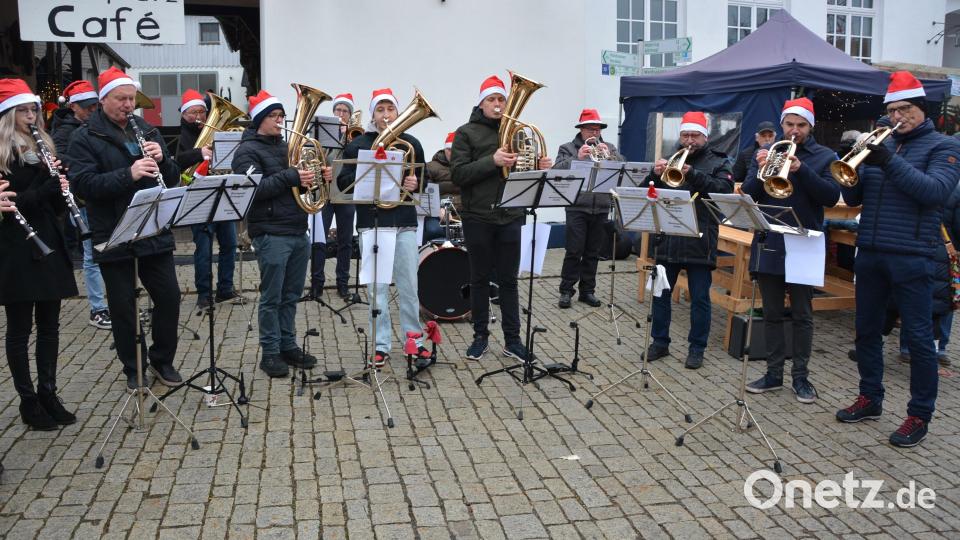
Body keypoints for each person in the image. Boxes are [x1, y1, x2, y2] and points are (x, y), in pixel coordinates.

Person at [836, 71, 960, 448]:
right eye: (892, 110)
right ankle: (870, 398)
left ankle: (919, 415)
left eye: (905, 109)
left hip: (913, 256)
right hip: (871, 252)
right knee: (867, 331)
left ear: (923, 110)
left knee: (920, 341)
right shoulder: (880, 146)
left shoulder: (942, 147)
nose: (897, 117)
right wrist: (852, 175)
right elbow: (856, 201)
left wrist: (886, 159)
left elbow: (933, 192)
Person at [67, 67, 184, 390]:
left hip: (153, 229)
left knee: (169, 297)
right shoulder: (84, 137)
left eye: (132, 99)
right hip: (112, 233)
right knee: (122, 306)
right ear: (103, 99)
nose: (128, 105)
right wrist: (128, 174)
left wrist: (163, 161)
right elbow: (83, 185)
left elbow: (171, 179)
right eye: (121, 99)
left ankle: (163, 360)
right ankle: (133, 367)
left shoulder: (146, 129)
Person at [741, 98, 840, 403]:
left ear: (810, 126)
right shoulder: (773, 151)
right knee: (770, 312)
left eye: (801, 125)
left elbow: (830, 196)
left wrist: (802, 169)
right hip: (771, 238)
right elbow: (749, 193)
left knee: (802, 314)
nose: (794, 130)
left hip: (804, 241)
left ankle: (801, 377)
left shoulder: (824, 156)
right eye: (789, 124)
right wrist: (759, 170)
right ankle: (773, 374)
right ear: (782, 124)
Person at [450, 75, 553, 361]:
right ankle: (480, 337)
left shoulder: (519, 132)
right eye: (491, 100)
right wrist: (491, 161)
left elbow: (524, 173)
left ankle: (513, 340)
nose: (497, 105)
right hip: (477, 215)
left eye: (501, 99)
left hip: (511, 215)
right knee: (480, 278)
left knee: (509, 280)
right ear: (481, 103)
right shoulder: (466, 132)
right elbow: (458, 174)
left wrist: (539, 165)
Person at [231, 89, 331, 377]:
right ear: (260, 119)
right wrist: (292, 176)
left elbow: (299, 188)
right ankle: (270, 352)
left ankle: (288, 345)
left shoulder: (289, 147)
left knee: (291, 295)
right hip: (271, 232)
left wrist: (316, 180)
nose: (280, 121)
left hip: (298, 228)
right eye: (274, 116)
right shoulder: (247, 151)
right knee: (272, 297)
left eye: (281, 116)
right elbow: (252, 191)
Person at [0, 79, 78, 429]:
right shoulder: (4, 153)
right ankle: (28, 399)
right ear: (8, 114)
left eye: (34, 110)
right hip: (16, 244)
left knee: (50, 325)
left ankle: (49, 391)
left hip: (47, 239)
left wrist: (63, 186)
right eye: (24, 111)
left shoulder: (43, 145)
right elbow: (14, 204)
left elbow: (53, 204)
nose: (32, 116)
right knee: (20, 329)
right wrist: (46, 185)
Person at [337, 88, 428, 367]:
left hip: (404, 223)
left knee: (409, 286)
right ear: (373, 114)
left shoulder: (411, 142)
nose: (385, 115)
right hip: (372, 223)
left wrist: (415, 185)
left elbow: (420, 182)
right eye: (380, 110)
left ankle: (415, 339)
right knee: (377, 288)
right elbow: (344, 184)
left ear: (397, 112)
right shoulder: (358, 144)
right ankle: (381, 344)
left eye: (390, 109)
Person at [645, 111, 734, 369]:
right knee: (661, 294)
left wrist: (692, 173)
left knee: (700, 298)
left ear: (705, 137)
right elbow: (646, 193)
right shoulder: (668, 157)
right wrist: (653, 174)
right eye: (685, 135)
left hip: (700, 239)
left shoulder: (719, 161)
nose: (689, 141)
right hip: (668, 237)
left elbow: (724, 191)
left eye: (695, 135)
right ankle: (660, 342)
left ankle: (697, 348)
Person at [51, 80, 111, 330]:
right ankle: (97, 308)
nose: (92, 111)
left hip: (104, 193)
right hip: (84, 197)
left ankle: (115, 302)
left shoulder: (97, 124)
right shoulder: (64, 131)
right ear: (73, 106)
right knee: (92, 255)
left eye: (95, 106)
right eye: (87, 107)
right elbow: (63, 160)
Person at [553, 108, 625, 308]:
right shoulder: (567, 148)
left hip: (600, 207)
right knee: (574, 251)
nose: (594, 133)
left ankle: (587, 291)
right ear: (581, 130)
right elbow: (556, 170)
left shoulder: (608, 146)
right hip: (576, 207)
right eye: (590, 129)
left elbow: (622, 167)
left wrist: (610, 157)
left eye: (597, 129)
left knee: (593, 252)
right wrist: (578, 157)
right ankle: (566, 291)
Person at [176, 89, 238, 309]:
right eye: (193, 113)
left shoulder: (214, 129)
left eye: (202, 112)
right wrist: (199, 153)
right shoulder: (181, 136)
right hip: (198, 196)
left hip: (221, 194)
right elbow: (176, 162)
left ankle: (225, 288)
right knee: (203, 247)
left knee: (230, 244)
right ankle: (204, 293)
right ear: (184, 115)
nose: (199, 117)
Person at [310, 93, 356, 301]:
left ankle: (343, 283)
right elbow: (312, 155)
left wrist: (347, 137)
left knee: (345, 240)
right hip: (324, 193)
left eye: (345, 111)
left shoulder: (354, 137)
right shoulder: (320, 131)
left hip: (346, 193)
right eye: (338, 110)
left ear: (350, 115)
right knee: (319, 240)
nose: (341, 114)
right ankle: (316, 283)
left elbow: (357, 159)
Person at [423, 131, 460, 243]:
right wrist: (438, 209)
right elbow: (425, 194)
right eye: (449, 150)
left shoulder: (468, 167)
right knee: (433, 230)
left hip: (463, 213)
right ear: (444, 149)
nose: (452, 153)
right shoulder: (431, 167)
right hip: (438, 213)